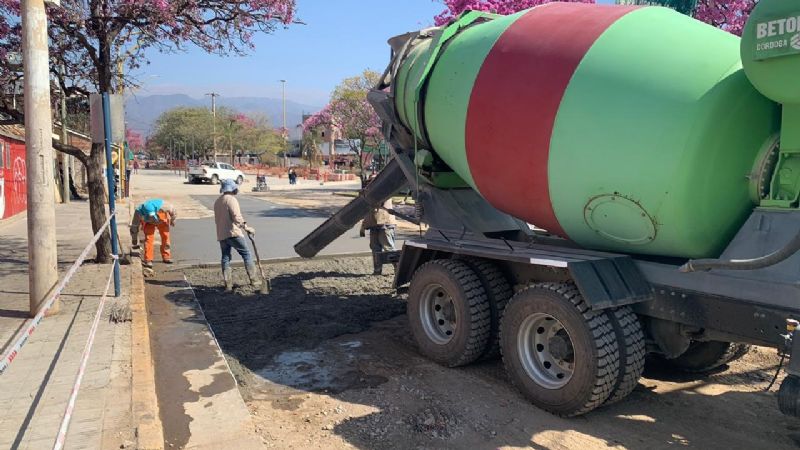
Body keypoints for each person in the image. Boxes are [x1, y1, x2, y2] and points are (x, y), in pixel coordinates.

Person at [214, 178, 260, 291]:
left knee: (225, 257)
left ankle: (228, 284)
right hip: (233, 233)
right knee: (246, 254)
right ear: (232, 189)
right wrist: (246, 227)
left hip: (221, 234)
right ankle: (254, 280)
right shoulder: (231, 200)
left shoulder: (218, 201)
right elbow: (237, 217)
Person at [130, 198, 177, 268]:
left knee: (165, 236)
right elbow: (134, 226)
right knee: (149, 239)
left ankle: (166, 257)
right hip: (148, 222)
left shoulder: (164, 206)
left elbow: (173, 211)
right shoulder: (138, 212)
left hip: (161, 216)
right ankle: (148, 260)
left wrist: (173, 220)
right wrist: (134, 239)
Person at [360, 194, 397, 275]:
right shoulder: (369, 192)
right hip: (373, 223)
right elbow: (368, 209)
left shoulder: (383, 190)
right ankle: (377, 270)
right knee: (375, 249)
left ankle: (398, 268)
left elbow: (376, 201)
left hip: (385, 223)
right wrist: (363, 225)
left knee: (389, 248)